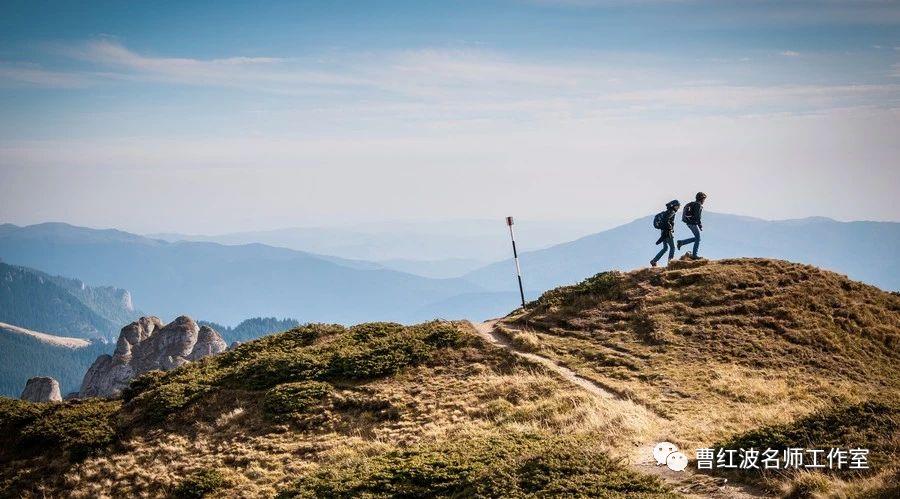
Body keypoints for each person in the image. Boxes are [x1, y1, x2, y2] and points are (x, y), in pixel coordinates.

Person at [650, 200, 680, 267]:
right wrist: (670, 227)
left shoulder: (667, 211)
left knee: (665, 248)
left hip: (663, 231)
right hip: (667, 231)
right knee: (672, 247)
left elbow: (665, 220)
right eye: (677, 206)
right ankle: (670, 263)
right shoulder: (672, 212)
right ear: (673, 206)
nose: (678, 208)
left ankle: (654, 261)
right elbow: (666, 220)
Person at [677, 192, 706, 258]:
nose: (704, 201)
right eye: (704, 199)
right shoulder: (698, 205)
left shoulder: (692, 204)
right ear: (701, 199)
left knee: (697, 238)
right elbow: (697, 216)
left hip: (689, 223)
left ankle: (681, 242)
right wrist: (700, 225)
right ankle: (694, 255)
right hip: (692, 223)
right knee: (698, 238)